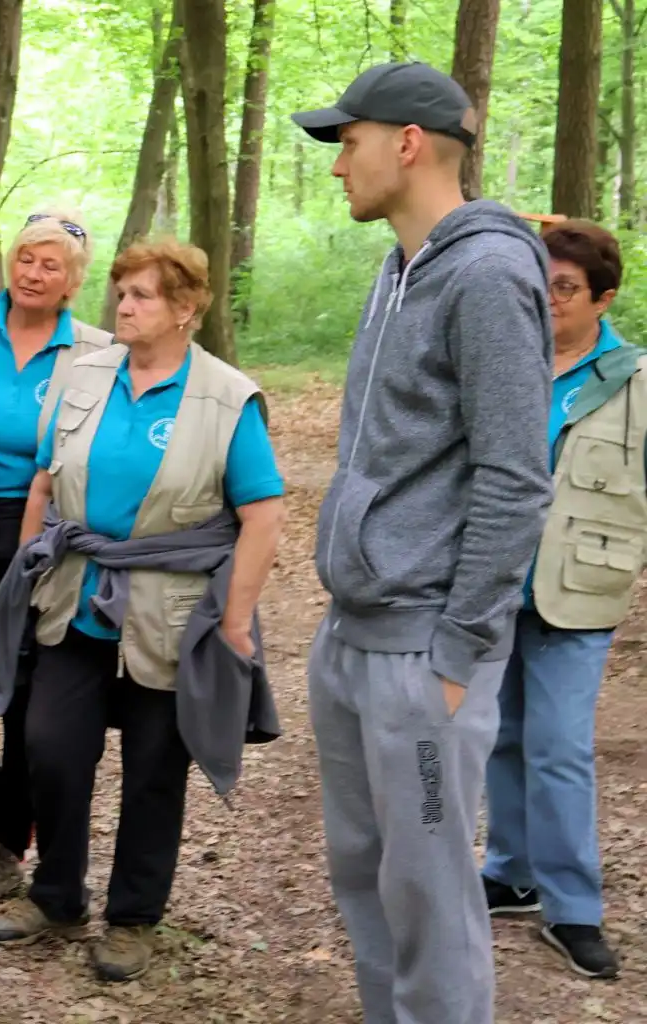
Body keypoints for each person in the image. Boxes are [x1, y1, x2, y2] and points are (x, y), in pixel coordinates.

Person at [292, 63, 553, 1024]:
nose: (337, 165)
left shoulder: (486, 276)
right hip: (353, 633)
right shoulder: (398, 269)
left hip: (425, 651)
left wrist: (459, 648)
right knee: (365, 871)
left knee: (430, 893)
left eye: (348, 142)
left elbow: (516, 476)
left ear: (407, 143)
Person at [0, 239, 285, 982]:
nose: (124, 306)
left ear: (186, 308)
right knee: (50, 748)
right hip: (75, 594)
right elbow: (44, 485)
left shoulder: (225, 398)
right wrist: (29, 575)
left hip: (171, 610)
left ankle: (133, 918)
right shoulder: (85, 376)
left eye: (143, 295)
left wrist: (235, 622)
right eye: (121, 292)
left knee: (153, 767)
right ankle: (56, 895)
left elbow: (264, 516)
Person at [0, 207, 111, 904]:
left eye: (50, 265)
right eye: (26, 259)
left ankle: (8, 844)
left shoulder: (95, 352)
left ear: (72, 282)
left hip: (42, 539)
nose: (33, 273)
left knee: (24, 695)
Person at [482, 219, 636, 980]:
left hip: (579, 592)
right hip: (492, 582)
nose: (547, 299)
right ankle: (511, 873)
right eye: (539, 284)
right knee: (500, 734)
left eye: (566, 288)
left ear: (602, 299)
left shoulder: (634, 381)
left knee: (560, 748)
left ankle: (574, 908)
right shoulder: (504, 362)